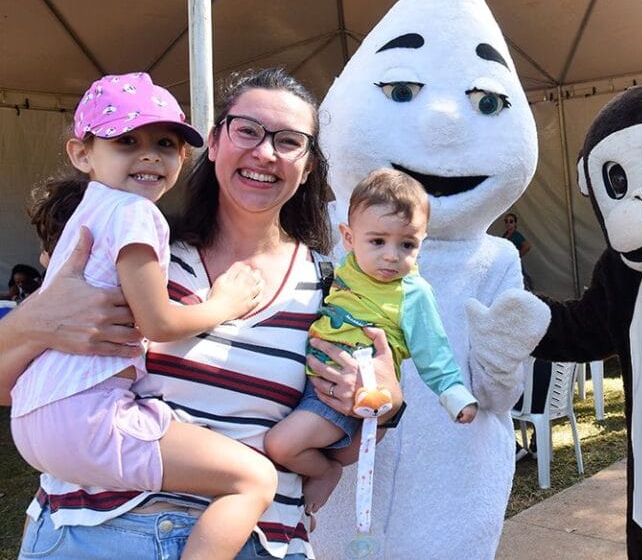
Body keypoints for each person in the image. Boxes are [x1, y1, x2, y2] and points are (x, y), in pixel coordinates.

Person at [0, 68, 404, 560]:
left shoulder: (334, 290)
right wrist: (29, 322)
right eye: (247, 131)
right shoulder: (137, 252)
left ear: (310, 165)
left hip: (257, 542)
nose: (265, 152)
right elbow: (17, 384)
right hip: (99, 534)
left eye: (289, 141)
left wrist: (381, 409)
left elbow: (336, 447)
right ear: (213, 143)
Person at [10, 72, 288, 560]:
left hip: (37, 416)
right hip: (84, 413)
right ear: (82, 154)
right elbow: (157, 323)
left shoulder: (87, 212)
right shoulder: (136, 213)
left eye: (164, 143)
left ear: (183, 158)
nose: (148, 155)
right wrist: (222, 304)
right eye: (126, 141)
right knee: (253, 478)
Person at [265, 168, 478, 513]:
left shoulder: (412, 292)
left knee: (281, 445)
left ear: (422, 242)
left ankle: (326, 473)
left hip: (348, 392)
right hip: (310, 382)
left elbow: (433, 350)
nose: (392, 255)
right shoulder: (342, 269)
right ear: (348, 238)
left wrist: (453, 394)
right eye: (377, 241)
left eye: (407, 244)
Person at [502, 212, 534, 291]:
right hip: (507, 264)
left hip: (515, 263)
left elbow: (527, 246)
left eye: (511, 221)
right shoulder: (505, 235)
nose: (508, 223)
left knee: (522, 280)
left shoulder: (516, 235)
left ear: (515, 223)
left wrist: (517, 256)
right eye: (506, 221)